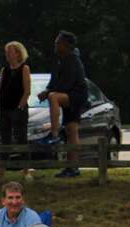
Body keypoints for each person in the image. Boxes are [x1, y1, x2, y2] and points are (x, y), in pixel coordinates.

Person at [37, 31, 88, 178]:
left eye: (58, 42)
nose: (55, 44)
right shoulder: (59, 59)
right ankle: (72, 168)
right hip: (68, 94)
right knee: (72, 130)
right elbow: (53, 82)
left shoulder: (73, 60)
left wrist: (49, 93)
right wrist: (46, 90)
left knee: (53, 97)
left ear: (66, 45)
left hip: (76, 95)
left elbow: (67, 84)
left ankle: (54, 134)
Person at [0, 41, 32, 179]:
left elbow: (27, 91)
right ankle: (1, 169)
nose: (7, 55)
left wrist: (20, 107)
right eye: (6, 52)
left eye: (9, 52)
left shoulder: (24, 69)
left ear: (17, 53)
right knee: (4, 140)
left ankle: (26, 170)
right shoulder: (4, 70)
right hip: (3, 108)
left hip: (17, 109)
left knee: (21, 138)